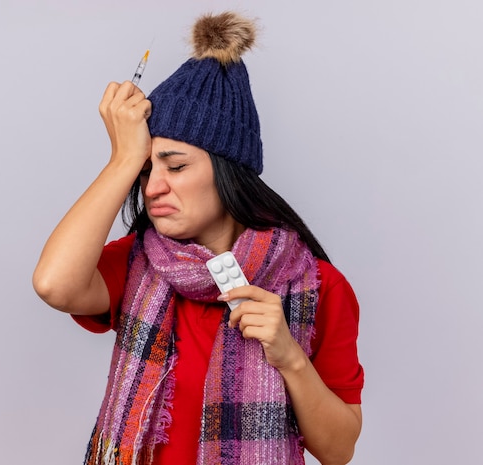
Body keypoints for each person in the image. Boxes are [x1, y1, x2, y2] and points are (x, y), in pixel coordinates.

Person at [33, 11, 363, 465]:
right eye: (146, 170)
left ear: (228, 171)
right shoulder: (137, 265)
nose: (152, 188)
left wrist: (290, 358)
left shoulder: (318, 286)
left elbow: (339, 449)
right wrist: (122, 160)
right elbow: (54, 284)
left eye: (176, 165)